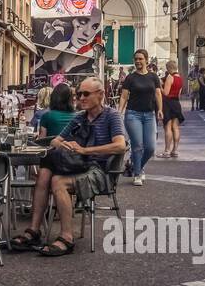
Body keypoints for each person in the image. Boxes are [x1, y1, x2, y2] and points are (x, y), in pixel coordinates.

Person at [9, 77, 127, 256]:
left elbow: (120, 145)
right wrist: (65, 145)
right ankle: (34, 230)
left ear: (101, 95)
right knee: (46, 165)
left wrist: (85, 150)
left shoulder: (111, 115)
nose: (81, 98)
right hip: (80, 165)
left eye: (86, 94)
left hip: (101, 171)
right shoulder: (80, 117)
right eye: (78, 94)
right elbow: (56, 140)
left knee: (58, 181)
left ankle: (66, 237)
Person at [118, 49, 162, 186]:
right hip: (133, 114)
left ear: (146, 60)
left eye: (140, 59)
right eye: (136, 59)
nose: (138, 61)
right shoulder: (130, 78)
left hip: (149, 115)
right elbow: (124, 96)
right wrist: (119, 111)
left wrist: (160, 110)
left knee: (150, 148)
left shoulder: (153, 77)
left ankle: (137, 166)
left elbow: (158, 94)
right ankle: (138, 173)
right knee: (137, 146)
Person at [160, 60, 185, 158]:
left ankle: (167, 151)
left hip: (168, 103)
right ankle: (175, 150)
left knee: (168, 127)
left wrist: (159, 86)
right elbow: (179, 94)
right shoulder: (180, 78)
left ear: (169, 68)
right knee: (175, 127)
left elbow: (166, 93)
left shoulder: (170, 77)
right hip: (176, 103)